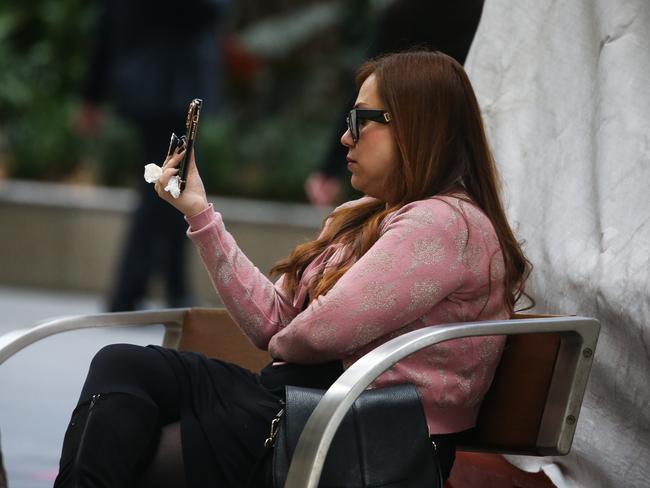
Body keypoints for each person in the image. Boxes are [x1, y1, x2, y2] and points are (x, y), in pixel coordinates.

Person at [54, 50, 531, 487]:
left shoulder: (446, 224)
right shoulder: (361, 214)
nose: (345, 136)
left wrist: (288, 336)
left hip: (360, 435)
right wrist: (199, 213)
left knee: (131, 456)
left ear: (416, 124)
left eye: (360, 120)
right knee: (122, 363)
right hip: (302, 409)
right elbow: (274, 321)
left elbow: (315, 333)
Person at [74, 0, 229, 311]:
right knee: (166, 187)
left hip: (146, 84)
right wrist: (91, 96)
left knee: (168, 186)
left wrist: (92, 94)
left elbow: (106, 23)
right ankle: (140, 290)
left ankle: (157, 288)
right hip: (171, 87)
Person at [305, 0, 485, 205]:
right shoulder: (403, 14)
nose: (346, 139)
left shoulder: (489, 16)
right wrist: (331, 169)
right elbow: (366, 89)